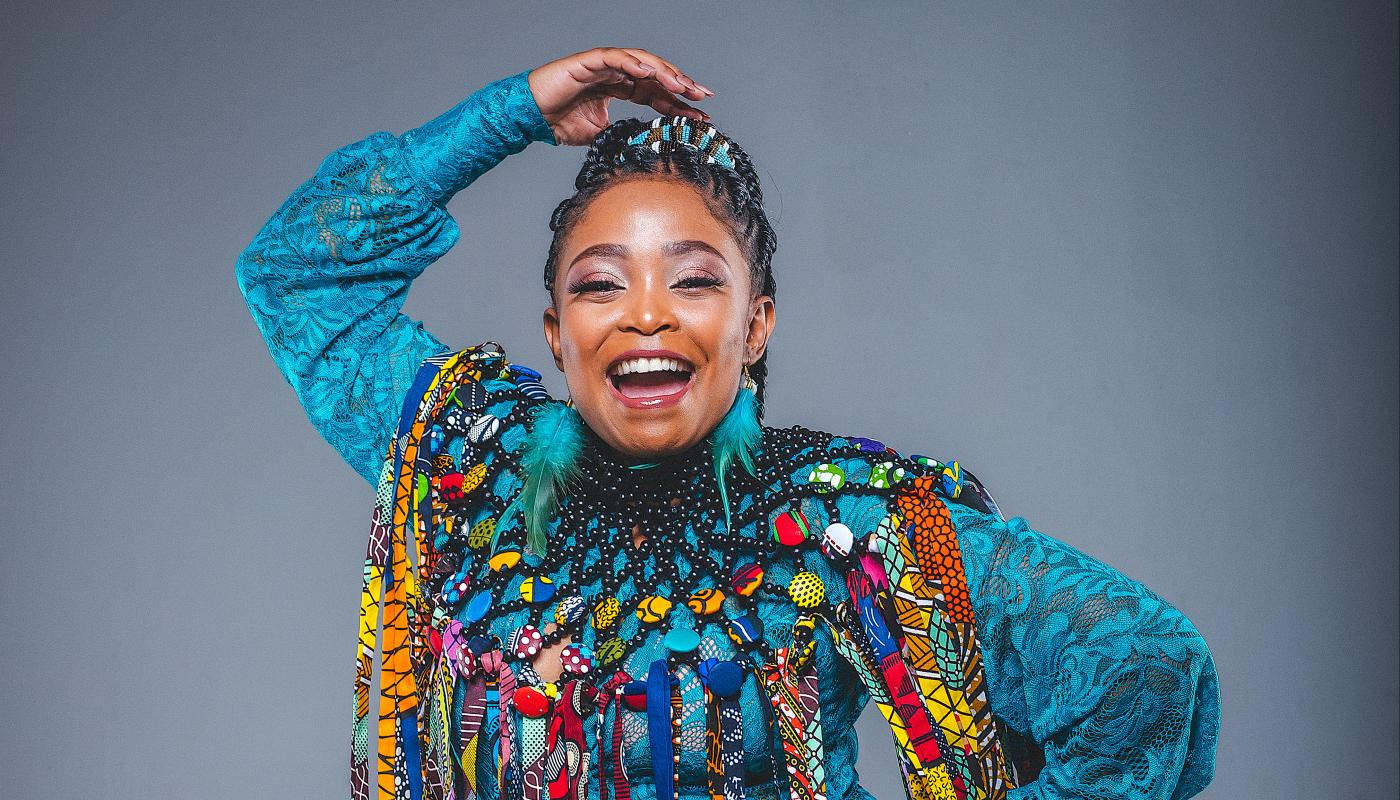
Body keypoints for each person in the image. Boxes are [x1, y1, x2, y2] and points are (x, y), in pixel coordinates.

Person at [236, 47, 1220, 800]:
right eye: (600, 283)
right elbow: (299, 275)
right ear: (557, 332)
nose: (646, 313)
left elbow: (1143, 669)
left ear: (753, 326)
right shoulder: (468, 465)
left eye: (693, 280)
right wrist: (511, 114)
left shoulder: (839, 522)